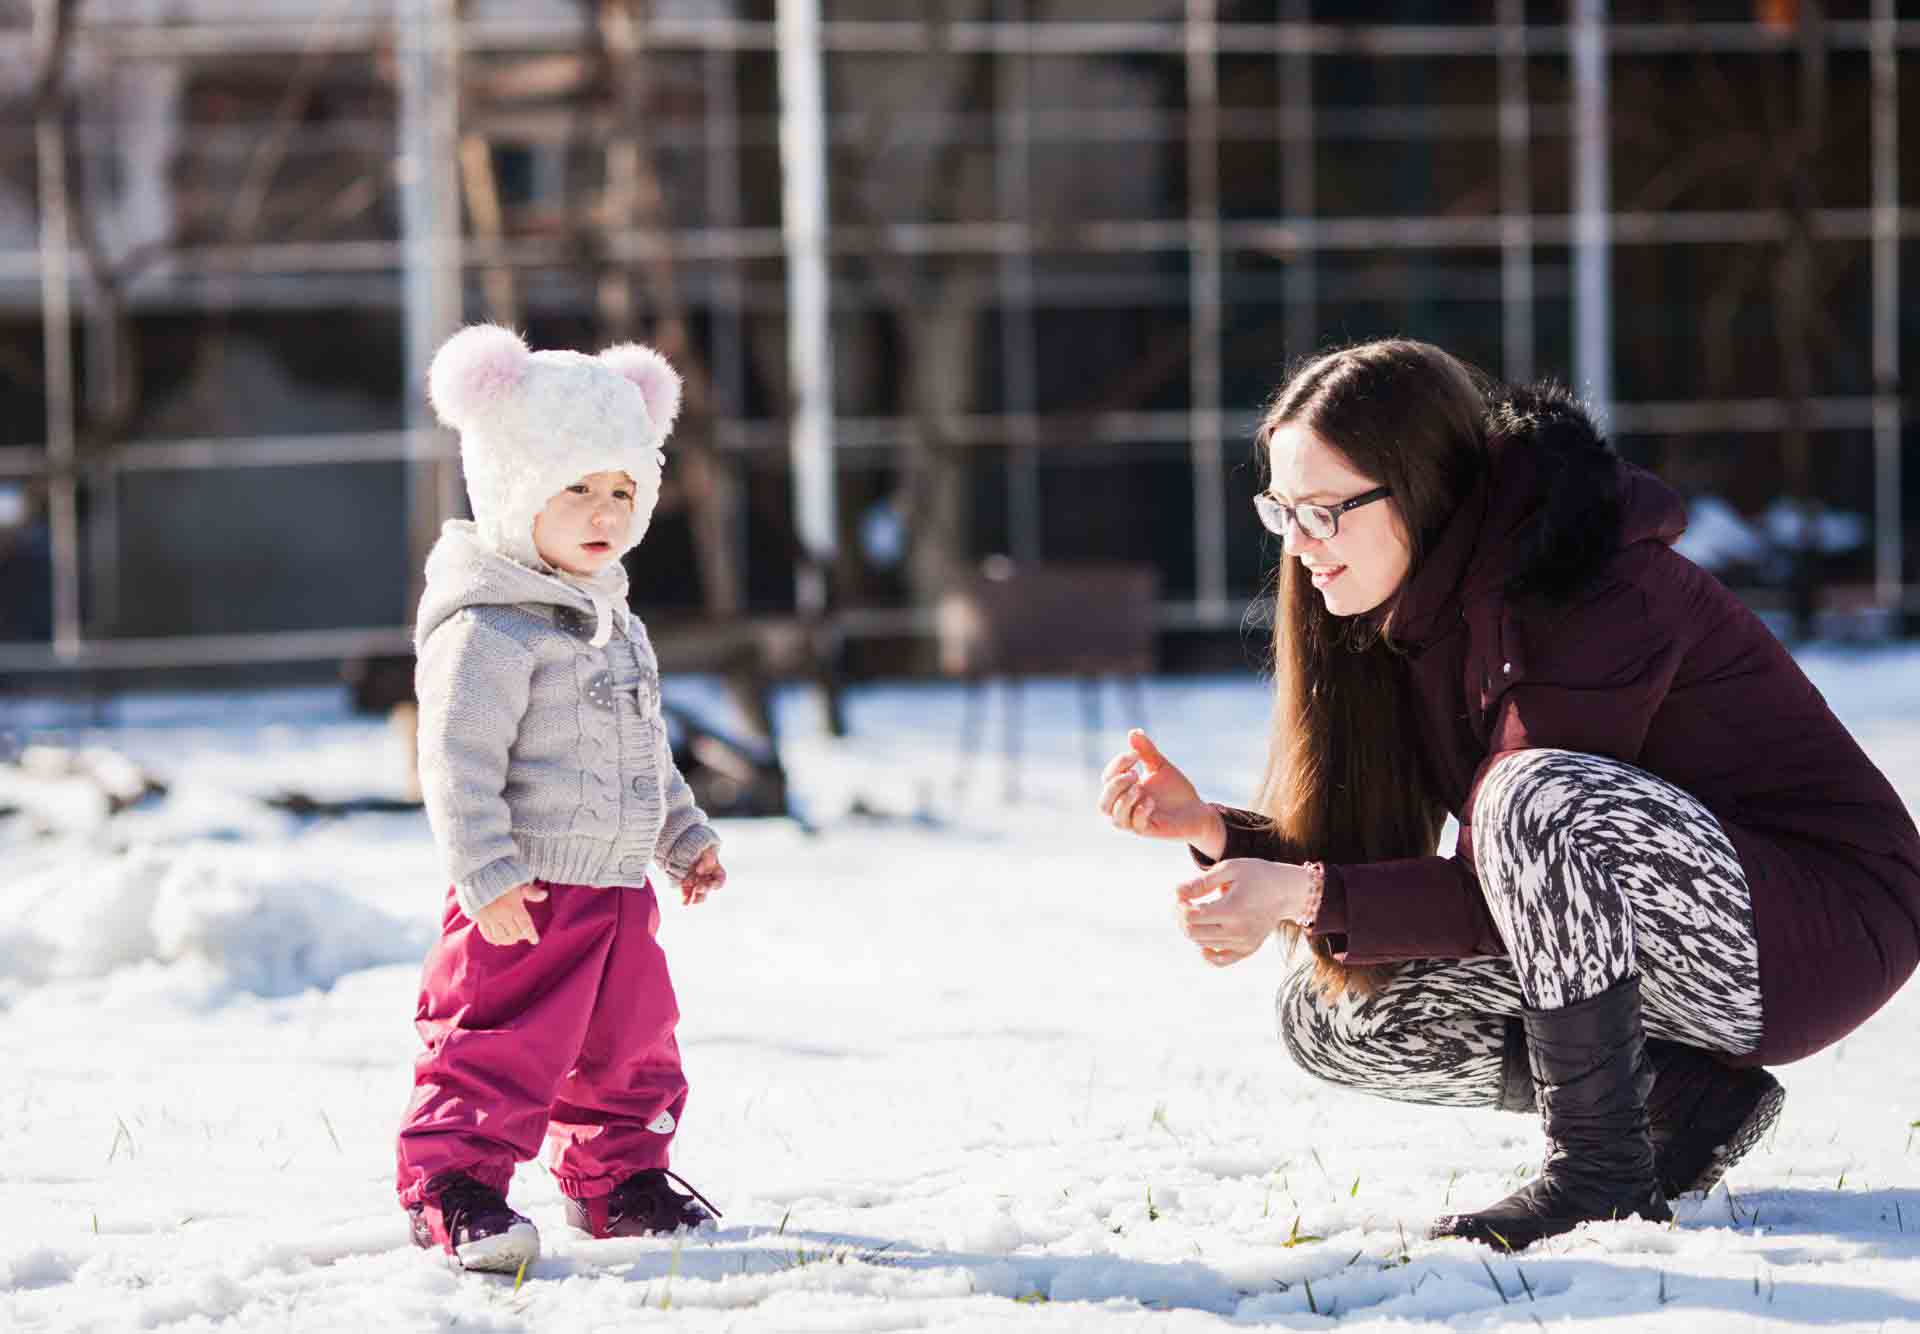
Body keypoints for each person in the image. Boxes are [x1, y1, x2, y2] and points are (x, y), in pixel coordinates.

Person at [1098, 339, 1920, 1251]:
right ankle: (1684, 1103)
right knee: (1334, 1017)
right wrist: (1220, 833)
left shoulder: (1596, 585)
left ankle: (1602, 1173)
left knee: (1532, 792)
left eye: (1325, 512)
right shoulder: (1396, 615)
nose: (1298, 546)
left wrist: (1302, 894)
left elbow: (1523, 865)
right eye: (1282, 511)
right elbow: (1429, 881)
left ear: (1417, 486)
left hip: (1820, 926)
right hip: (1659, 926)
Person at [396, 325, 728, 1272]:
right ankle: (452, 1186)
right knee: (496, 1047)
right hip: (522, 896)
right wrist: (484, 873)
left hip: (618, 893)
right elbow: (453, 761)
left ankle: (617, 1179)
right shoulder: (490, 628)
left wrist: (680, 832)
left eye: (623, 489)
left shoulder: (612, 617)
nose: (604, 511)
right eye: (575, 486)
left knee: (633, 1049)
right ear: (512, 488)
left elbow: (641, 748)